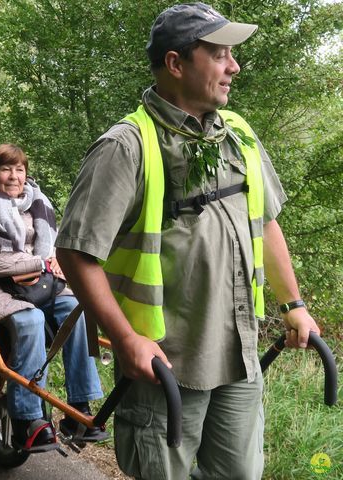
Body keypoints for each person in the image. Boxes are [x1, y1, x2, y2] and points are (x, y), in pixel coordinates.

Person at [55, 3, 322, 479]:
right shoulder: (126, 146)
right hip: (165, 365)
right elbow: (76, 252)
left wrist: (293, 303)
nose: (233, 66)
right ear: (176, 64)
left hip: (239, 357)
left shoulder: (238, 136)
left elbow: (264, 221)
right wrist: (126, 338)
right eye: (219, 54)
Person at [0, 143, 105, 452]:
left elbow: (56, 243)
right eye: (6, 169)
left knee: (78, 308)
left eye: (19, 169)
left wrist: (59, 260)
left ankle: (80, 409)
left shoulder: (38, 199)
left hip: (40, 283)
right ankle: (26, 420)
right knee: (31, 319)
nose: (14, 176)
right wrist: (37, 263)